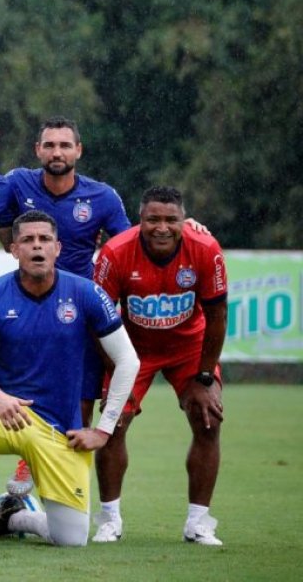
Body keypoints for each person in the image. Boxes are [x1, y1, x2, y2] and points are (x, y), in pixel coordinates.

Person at [0, 210, 139, 550]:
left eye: (44, 239)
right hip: (5, 417)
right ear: (14, 250)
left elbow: (127, 361)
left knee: (72, 539)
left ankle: (12, 517)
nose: (37, 247)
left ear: (58, 248)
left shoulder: (86, 293)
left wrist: (103, 429)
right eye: (28, 240)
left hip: (59, 430)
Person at [0, 116, 130, 497]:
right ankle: (28, 465)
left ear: (78, 151)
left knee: (81, 399)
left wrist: (186, 226)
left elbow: (129, 245)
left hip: (78, 314)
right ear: (38, 150)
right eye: (50, 145)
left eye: (65, 145)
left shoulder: (102, 196)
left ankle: (58, 486)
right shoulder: (17, 183)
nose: (57, 152)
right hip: (27, 304)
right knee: (24, 388)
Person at [91, 186, 228, 546]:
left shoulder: (206, 250)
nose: (162, 227)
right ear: (140, 221)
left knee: (207, 419)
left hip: (189, 345)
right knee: (113, 423)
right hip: (132, 348)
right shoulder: (116, 252)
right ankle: (109, 519)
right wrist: (118, 373)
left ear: (184, 221)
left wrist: (204, 376)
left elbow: (217, 316)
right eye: (153, 219)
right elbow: (98, 320)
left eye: (171, 220)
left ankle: (198, 523)